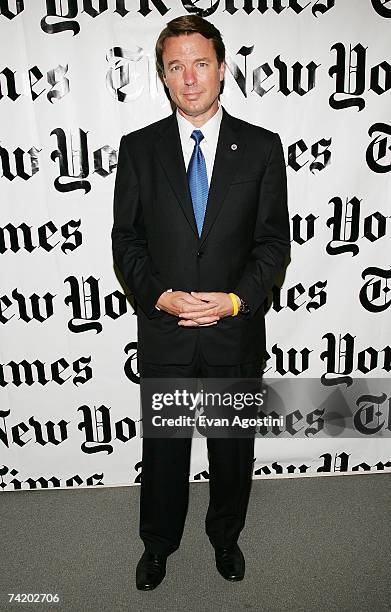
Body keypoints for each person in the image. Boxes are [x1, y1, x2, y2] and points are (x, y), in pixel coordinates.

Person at [111, 14, 290, 590]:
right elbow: (127, 240)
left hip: (232, 331)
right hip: (165, 330)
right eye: (176, 67)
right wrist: (160, 296)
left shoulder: (262, 148)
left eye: (201, 63)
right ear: (163, 76)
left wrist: (236, 302)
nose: (190, 79)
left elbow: (272, 244)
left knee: (231, 450)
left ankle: (226, 538)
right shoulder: (138, 150)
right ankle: (158, 545)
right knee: (165, 451)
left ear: (222, 67)